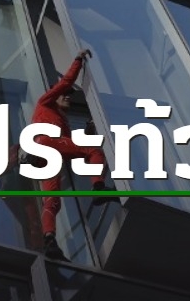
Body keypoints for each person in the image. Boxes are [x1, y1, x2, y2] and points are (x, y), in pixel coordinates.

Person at [31, 48, 113, 260]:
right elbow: (66, 81)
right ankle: (98, 188)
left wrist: (88, 132)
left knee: (52, 200)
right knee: (93, 150)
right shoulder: (45, 102)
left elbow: (72, 146)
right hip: (47, 144)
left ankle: (49, 240)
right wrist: (78, 59)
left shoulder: (62, 121)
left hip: (47, 153)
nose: (67, 96)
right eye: (63, 95)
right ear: (54, 96)